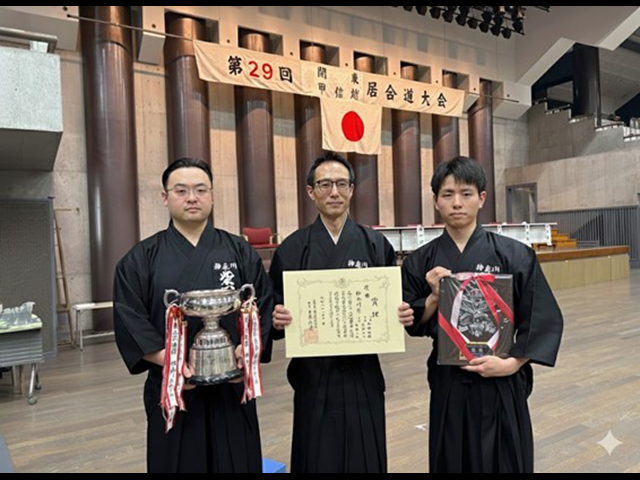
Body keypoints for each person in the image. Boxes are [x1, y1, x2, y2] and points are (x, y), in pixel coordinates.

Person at [402, 156, 563, 473]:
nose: (457, 203)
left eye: (466, 193)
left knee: (504, 460)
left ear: (482, 198)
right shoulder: (421, 261)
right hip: (448, 381)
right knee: (452, 459)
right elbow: (413, 322)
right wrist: (433, 297)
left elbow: (541, 318)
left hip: (500, 378)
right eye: (447, 194)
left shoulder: (515, 254)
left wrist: (511, 363)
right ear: (435, 201)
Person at [113, 158, 273, 473]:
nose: (192, 198)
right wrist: (172, 363)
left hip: (231, 385)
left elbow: (262, 305)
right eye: (181, 190)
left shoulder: (239, 251)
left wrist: (247, 351)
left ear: (212, 196)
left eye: (201, 190)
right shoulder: (141, 258)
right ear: (165, 197)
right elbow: (129, 316)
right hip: (173, 387)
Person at [269, 152, 415, 473]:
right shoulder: (292, 249)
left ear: (351, 189)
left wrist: (401, 314)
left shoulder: (375, 244)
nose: (333, 192)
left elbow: (392, 303)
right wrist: (277, 320)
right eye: (325, 185)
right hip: (313, 373)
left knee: (365, 451)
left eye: (341, 184)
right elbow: (274, 311)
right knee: (316, 452)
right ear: (311, 192)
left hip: (362, 371)